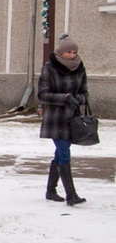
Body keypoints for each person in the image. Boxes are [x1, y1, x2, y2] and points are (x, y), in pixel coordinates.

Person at [37, 33, 88, 206]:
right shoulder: (50, 67)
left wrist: (78, 99)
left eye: (74, 52)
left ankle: (50, 190)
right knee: (65, 153)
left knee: (60, 153)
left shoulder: (80, 67)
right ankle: (71, 195)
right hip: (55, 119)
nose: (72, 56)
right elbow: (42, 94)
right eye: (69, 52)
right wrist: (64, 97)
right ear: (61, 52)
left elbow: (85, 93)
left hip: (72, 119)